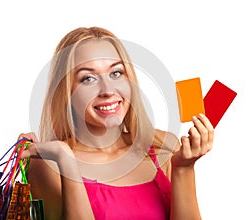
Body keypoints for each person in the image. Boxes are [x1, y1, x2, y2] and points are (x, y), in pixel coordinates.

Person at [19, 26, 214, 220]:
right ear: (66, 93)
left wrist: (184, 168)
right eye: (88, 78)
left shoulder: (164, 148)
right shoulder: (49, 164)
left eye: (116, 73)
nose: (107, 90)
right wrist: (67, 162)